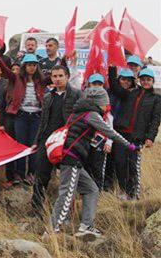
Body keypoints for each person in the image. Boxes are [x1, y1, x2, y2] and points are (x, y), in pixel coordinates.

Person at [49, 87, 136, 238]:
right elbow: (110, 132)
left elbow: (85, 136)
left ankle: (86, 226)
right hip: (72, 158)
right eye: (105, 104)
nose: (106, 107)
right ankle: (52, 230)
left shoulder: (77, 113)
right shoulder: (92, 114)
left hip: (71, 158)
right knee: (67, 193)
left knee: (91, 189)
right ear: (98, 102)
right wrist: (130, 146)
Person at [30, 65, 82, 215]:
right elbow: (43, 121)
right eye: (54, 76)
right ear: (51, 78)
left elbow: (81, 119)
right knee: (41, 174)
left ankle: (67, 212)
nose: (57, 79)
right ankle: (37, 208)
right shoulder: (48, 96)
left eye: (60, 76)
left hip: (67, 141)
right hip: (47, 140)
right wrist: (36, 141)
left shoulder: (77, 94)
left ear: (67, 76)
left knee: (67, 177)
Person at [0, 49, 48, 183]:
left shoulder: (41, 80)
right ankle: (19, 175)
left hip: (36, 117)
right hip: (21, 117)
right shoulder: (16, 78)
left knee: (33, 146)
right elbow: (5, 70)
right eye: (29, 64)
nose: (32, 67)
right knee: (20, 145)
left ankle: (31, 174)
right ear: (24, 66)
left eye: (34, 65)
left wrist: (65, 60)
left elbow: (58, 73)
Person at [109, 67, 161, 200]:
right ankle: (125, 191)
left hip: (137, 137)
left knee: (132, 165)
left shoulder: (156, 99)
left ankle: (134, 194)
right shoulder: (131, 93)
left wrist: (150, 138)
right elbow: (115, 88)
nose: (145, 82)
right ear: (139, 80)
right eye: (143, 79)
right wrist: (112, 69)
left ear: (153, 81)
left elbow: (155, 119)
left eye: (148, 80)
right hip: (121, 134)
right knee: (120, 163)